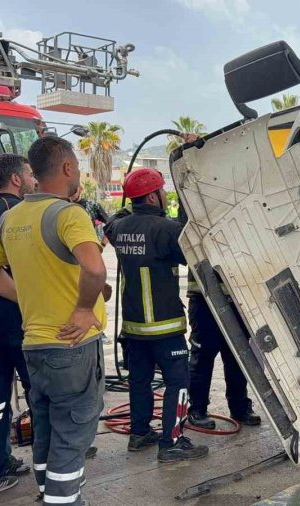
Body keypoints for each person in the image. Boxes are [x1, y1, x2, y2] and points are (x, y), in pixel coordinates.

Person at [0, 137, 107, 505]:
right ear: (68, 168)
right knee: (72, 437)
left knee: (47, 431)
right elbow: (95, 268)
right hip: (72, 347)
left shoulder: (12, 216)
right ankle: (63, 500)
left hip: (35, 345)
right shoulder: (68, 214)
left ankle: (47, 493)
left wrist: (28, 296)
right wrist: (84, 309)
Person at [104, 168, 208, 463]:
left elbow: (111, 223)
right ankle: (172, 441)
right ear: (153, 195)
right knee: (178, 382)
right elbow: (194, 251)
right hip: (164, 327)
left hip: (134, 329)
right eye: (163, 191)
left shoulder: (119, 228)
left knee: (140, 380)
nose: (165, 196)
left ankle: (139, 434)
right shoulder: (166, 230)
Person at [0, 154, 37, 499]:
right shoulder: (18, 214)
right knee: (41, 392)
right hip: (15, 317)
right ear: (16, 179)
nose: (33, 181)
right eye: (30, 175)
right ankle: (54, 470)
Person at [186, 272, 261, 430]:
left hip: (237, 301)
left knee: (237, 358)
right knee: (202, 360)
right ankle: (197, 410)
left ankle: (240, 408)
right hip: (204, 300)